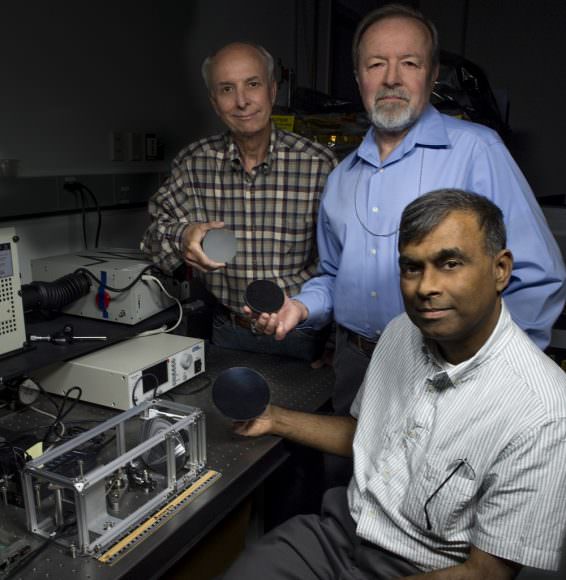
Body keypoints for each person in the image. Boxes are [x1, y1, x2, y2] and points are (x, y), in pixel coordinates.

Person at [222, 189, 566, 580]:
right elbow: (368, 435)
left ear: (500, 269)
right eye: (412, 268)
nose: (425, 287)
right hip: (338, 536)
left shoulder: (544, 411)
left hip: (421, 569)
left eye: (450, 263)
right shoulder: (401, 331)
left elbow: (485, 574)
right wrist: (275, 419)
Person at [249, 4, 566, 413]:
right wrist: (301, 306)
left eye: (409, 63)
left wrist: (494, 374)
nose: (392, 78)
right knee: (350, 472)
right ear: (359, 77)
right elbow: (333, 275)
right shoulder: (342, 177)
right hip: (357, 364)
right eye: (376, 64)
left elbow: (537, 277)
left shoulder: (476, 150)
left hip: (447, 365)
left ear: (432, 75)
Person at [141, 41, 337, 361]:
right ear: (215, 103)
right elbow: (151, 241)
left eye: (253, 85)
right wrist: (183, 236)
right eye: (227, 89)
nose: (243, 101)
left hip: (304, 334)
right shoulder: (194, 164)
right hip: (228, 332)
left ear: (272, 91)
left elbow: (341, 264)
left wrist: (331, 347)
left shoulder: (319, 165)